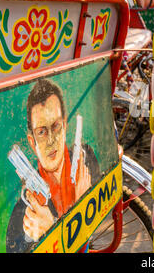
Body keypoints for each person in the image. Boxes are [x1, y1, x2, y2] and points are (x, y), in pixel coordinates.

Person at [6, 79, 101, 253]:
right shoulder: (21, 215)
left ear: (65, 126)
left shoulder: (87, 158)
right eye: (41, 132)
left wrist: (53, 229)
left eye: (56, 126)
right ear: (32, 143)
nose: (51, 140)